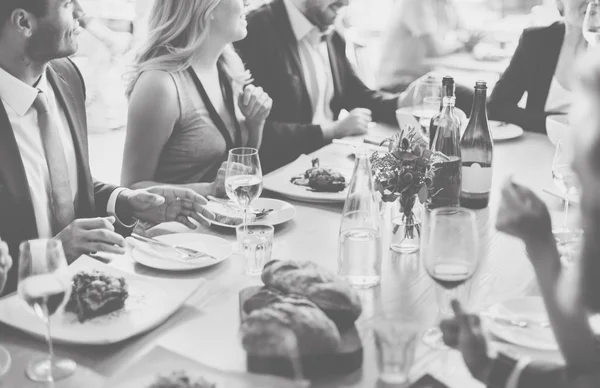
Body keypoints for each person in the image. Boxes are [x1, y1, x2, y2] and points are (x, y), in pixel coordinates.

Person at [0, 0, 215, 295]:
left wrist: (127, 201)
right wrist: (53, 252)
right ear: (24, 22)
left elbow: (64, 186)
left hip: (90, 293)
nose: (80, 13)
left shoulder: (67, 77)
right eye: (67, 5)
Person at [234, 0, 419, 172]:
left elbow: (355, 94)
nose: (346, 3)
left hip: (327, 164)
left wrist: (401, 102)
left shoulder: (329, 27)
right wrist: (331, 131)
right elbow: (252, 127)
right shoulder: (255, 30)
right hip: (281, 173)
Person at [122, 0, 272, 197]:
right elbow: (130, 189)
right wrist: (209, 189)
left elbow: (240, 169)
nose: (248, 2)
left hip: (222, 221)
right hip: (172, 227)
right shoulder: (160, 84)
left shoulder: (229, 68)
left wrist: (256, 123)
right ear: (206, 8)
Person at [487, 0, 587, 134]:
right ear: (559, 3)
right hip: (540, 148)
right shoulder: (536, 41)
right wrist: (559, 124)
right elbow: (497, 107)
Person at [373, 0, 480, 110]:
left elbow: (463, 32)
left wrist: (467, 41)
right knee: (473, 101)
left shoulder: (446, 4)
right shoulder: (416, 2)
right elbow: (434, 49)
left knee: (476, 97)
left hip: (426, 79)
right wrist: (461, 46)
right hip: (399, 82)